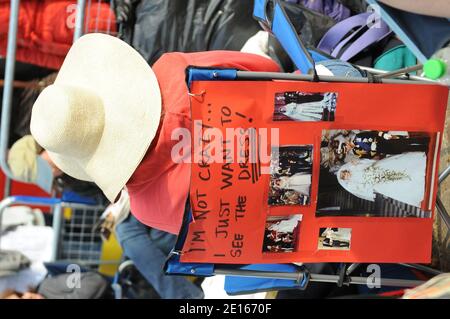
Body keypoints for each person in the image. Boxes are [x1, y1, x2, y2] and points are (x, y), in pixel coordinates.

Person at [30, 33, 280, 234]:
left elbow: (240, 241)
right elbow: (267, 68)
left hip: (309, 229)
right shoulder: (174, 70)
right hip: (312, 113)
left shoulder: (147, 209)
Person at [337, 152, 426, 207]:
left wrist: (370, 169)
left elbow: (366, 164)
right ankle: (416, 185)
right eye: (344, 176)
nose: (346, 175)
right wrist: (371, 181)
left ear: (346, 170)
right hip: (374, 182)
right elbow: (362, 188)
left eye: (345, 173)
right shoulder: (352, 184)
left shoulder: (354, 167)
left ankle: (416, 168)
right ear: (345, 179)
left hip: (376, 169)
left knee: (395, 167)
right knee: (395, 185)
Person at [346, 131, 429, 159]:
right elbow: (369, 156)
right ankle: (423, 148)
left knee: (405, 141)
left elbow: (372, 133)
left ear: (347, 143)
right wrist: (373, 150)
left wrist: (383, 135)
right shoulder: (357, 152)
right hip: (382, 149)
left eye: (345, 147)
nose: (347, 149)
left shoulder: (358, 137)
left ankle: (424, 140)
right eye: (346, 150)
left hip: (382, 140)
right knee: (403, 149)